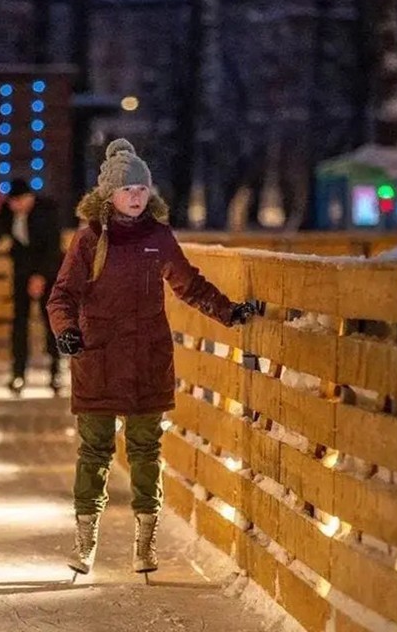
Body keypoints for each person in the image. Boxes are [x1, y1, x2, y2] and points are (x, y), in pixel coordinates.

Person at [47, 138, 255, 577]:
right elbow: (62, 295)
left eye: (142, 189)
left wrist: (229, 311)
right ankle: (85, 544)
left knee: (145, 451)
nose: (136, 197)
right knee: (94, 452)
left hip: (146, 361)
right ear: (110, 194)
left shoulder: (158, 237)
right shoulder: (89, 241)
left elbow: (190, 285)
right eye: (128, 190)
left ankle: (145, 545)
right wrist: (66, 332)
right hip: (98, 359)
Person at [0, 178, 64, 396]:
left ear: (28, 199)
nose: (14, 207)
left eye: (18, 202)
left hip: (48, 274)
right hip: (22, 273)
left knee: (51, 323)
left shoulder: (47, 211)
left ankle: (55, 371)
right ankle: (18, 373)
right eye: (12, 203)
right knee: (19, 323)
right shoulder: (8, 212)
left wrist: (40, 277)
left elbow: (53, 249)